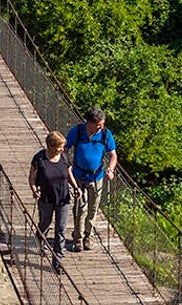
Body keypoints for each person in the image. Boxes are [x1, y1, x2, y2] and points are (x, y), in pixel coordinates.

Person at [65, 108, 117, 252]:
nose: (101, 126)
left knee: (93, 209)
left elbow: (113, 155)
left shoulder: (106, 134)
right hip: (78, 177)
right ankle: (78, 238)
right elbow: (65, 148)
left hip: (97, 177)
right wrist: (66, 165)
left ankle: (89, 236)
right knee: (80, 208)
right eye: (99, 124)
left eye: (102, 124)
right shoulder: (77, 131)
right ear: (89, 122)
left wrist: (110, 169)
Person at [29, 131, 78, 271]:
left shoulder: (64, 157)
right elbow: (32, 178)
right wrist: (34, 190)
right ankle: (40, 238)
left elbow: (69, 174)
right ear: (51, 146)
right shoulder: (39, 159)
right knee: (45, 223)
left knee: (61, 229)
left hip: (63, 198)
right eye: (60, 147)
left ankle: (58, 261)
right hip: (45, 198)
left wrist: (75, 187)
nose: (62, 149)